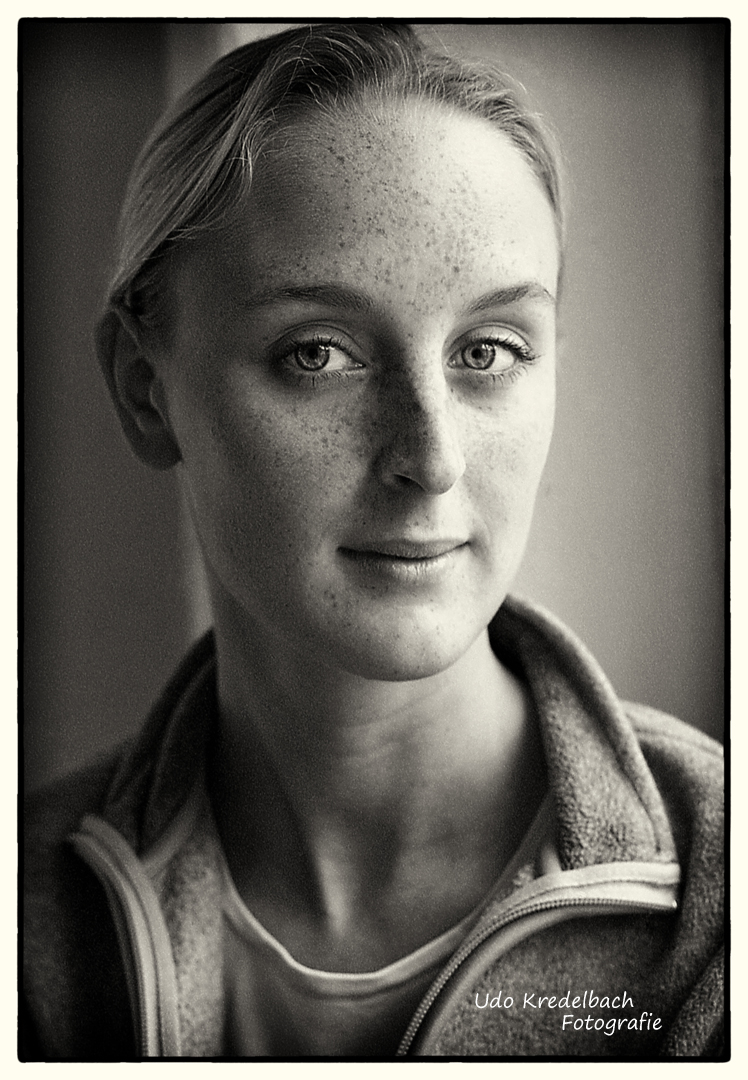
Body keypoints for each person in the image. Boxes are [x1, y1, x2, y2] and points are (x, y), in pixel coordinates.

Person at [22, 23, 724, 1060]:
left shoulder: (719, 900)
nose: (430, 458)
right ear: (143, 388)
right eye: (320, 354)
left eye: (488, 350)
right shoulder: (27, 920)